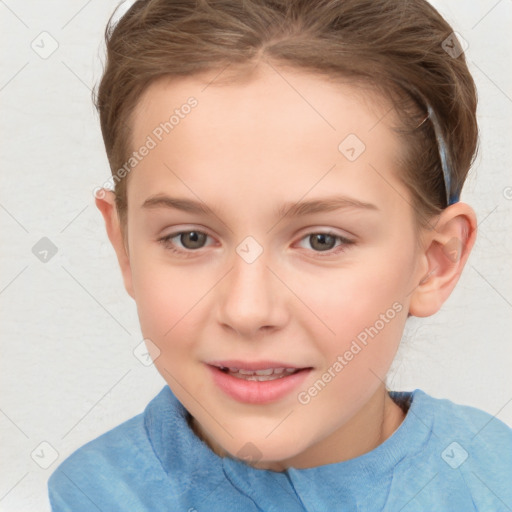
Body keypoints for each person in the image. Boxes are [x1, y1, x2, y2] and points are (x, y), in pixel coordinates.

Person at [47, 0, 512, 510]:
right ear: (125, 247)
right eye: (191, 238)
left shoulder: (496, 477)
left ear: (435, 261)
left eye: (322, 240)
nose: (248, 310)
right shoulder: (94, 495)